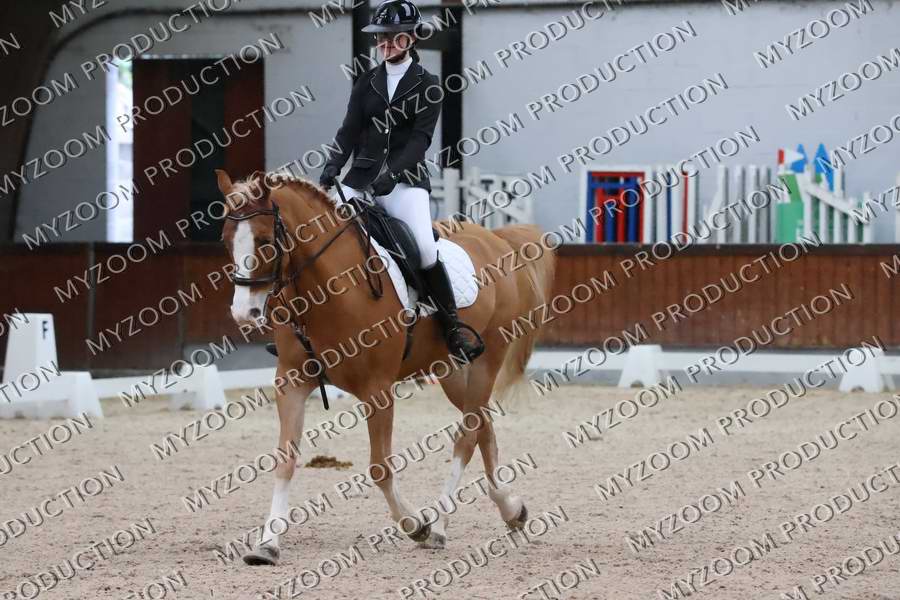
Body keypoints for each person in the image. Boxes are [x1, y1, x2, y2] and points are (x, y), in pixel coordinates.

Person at [318, 0, 484, 362]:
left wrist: (391, 174)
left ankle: (452, 328)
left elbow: (420, 141)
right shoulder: (367, 82)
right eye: (381, 37)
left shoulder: (429, 85)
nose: (385, 43)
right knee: (323, 239)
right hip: (361, 178)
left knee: (424, 249)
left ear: (411, 39)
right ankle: (307, 327)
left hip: (405, 181)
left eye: (394, 37)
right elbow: (348, 130)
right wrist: (333, 165)